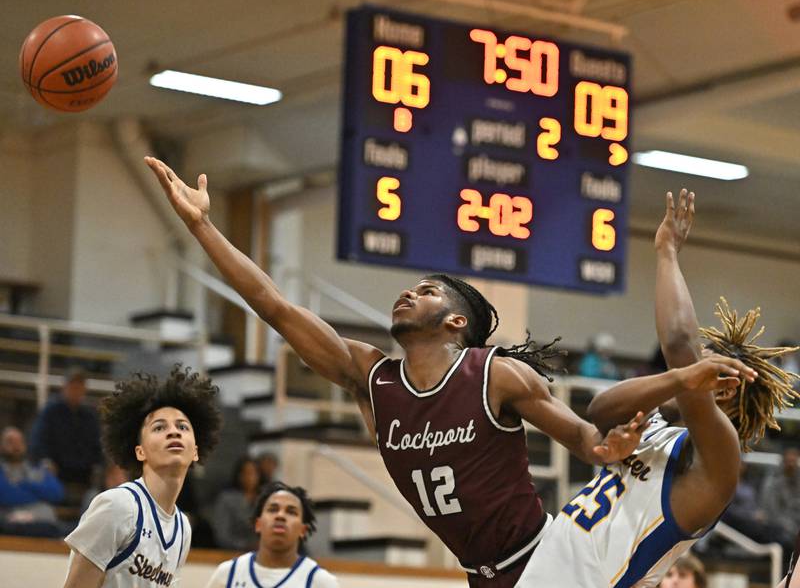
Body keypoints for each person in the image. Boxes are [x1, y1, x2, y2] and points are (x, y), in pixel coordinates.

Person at [144, 157, 745, 586]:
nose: (409, 293)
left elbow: (589, 439)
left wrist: (608, 443)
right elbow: (273, 304)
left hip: (544, 563)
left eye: (429, 291)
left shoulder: (497, 376)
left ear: (457, 323)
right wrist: (201, 225)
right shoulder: (371, 378)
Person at [518, 188, 798, 587]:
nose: (688, 368)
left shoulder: (719, 459)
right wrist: (676, 378)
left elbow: (680, 345)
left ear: (725, 389)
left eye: (704, 361)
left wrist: (667, 251)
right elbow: (599, 409)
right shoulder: (657, 429)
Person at [62, 365, 222, 588]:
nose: (173, 431)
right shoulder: (118, 506)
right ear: (140, 451)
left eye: (183, 427)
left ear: (195, 450)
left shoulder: (182, 527)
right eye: (159, 427)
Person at [205, 482, 338, 588]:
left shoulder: (321, 582)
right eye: (273, 509)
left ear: (303, 530)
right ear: (258, 524)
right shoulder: (228, 574)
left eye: (291, 512)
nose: (280, 516)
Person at [29, 368, 104, 503]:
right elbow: (38, 441)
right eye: (73, 387)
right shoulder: (50, 412)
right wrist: (46, 460)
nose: (76, 391)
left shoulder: (90, 417)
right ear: (65, 387)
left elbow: (98, 446)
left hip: (84, 472)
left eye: (79, 387)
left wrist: (99, 465)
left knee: (95, 496)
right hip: (57, 471)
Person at [0, 425, 64, 537]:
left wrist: (24, 485)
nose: (16, 446)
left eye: (19, 441)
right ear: (1, 446)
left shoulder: (40, 469)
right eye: (10, 441)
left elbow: (57, 494)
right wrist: (40, 494)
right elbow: (5, 495)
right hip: (9, 523)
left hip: (44, 524)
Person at [212, 456, 264, 550]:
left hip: (262, 553)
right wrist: (245, 546)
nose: (250, 477)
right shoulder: (226, 499)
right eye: (246, 473)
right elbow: (222, 534)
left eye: (253, 473)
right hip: (231, 552)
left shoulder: (265, 499)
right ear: (238, 475)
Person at [761, 447, 800, 540]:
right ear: (783, 462)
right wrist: (792, 528)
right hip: (779, 528)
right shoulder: (773, 483)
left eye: (793, 461)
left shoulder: (798, 482)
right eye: (788, 461)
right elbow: (772, 512)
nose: (791, 464)